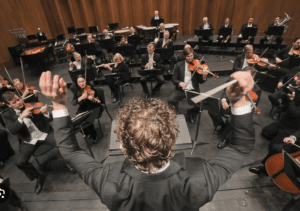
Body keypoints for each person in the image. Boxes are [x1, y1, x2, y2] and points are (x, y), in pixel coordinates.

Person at [39, 69, 255, 211]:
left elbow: (69, 150)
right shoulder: (201, 177)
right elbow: (240, 148)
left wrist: (58, 105)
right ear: (173, 138)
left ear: (122, 145)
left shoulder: (108, 181)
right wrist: (238, 101)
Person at [1, 91, 54, 194]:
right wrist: (21, 117)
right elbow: (12, 131)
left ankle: (70, 162)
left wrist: (46, 113)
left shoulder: (32, 104)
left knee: (62, 141)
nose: (19, 103)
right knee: (19, 162)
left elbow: (49, 119)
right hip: (28, 140)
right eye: (14, 102)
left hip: (43, 134)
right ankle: (38, 177)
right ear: (8, 105)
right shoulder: (6, 114)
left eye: (18, 99)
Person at [208, 67, 262, 149]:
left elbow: (254, 104)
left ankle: (226, 139)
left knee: (230, 121)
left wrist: (251, 104)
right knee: (211, 110)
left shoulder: (257, 89)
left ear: (253, 77)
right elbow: (225, 90)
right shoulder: (234, 79)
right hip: (228, 105)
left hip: (241, 110)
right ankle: (221, 125)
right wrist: (223, 101)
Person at [249, 91, 300, 175]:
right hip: (283, 122)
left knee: (275, 147)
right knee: (265, 132)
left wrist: (293, 137)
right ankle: (279, 138)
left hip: (291, 129)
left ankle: (265, 169)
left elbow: (294, 113)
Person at [168, 47, 209, 123]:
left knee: (202, 104)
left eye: (191, 55)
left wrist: (204, 76)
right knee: (171, 100)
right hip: (181, 90)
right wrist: (180, 83)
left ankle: (191, 113)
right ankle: (175, 113)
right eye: (188, 56)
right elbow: (174, 79)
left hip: (193, 89)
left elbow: (201, 82)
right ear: (184, 56)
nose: (190, 58)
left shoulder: (197, 65)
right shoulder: (179, 65)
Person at [71, 75, 103, 143]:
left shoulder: (92, 89)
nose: (81, 83)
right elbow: (73, 103)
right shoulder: (78, 91)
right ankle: (86, 133)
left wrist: (92, 100)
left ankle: (94, 136)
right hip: (83, 109)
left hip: (94, 108)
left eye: (83, 81)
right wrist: (81, 98)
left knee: (87, 121)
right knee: (77, 121)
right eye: (79, 82)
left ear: (86, 81)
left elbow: (100, 103)